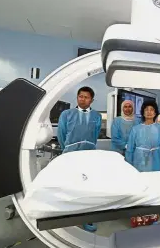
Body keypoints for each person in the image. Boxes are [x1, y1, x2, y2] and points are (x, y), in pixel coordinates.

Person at [57, 86, 102, 233]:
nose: (83, 99)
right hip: (70, 155)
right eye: (80, 96)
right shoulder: (67, 114)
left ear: (92, 100)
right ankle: (70, 216)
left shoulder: (97, 116)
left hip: (89, 156)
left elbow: (94, 135)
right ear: (77, 97)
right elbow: (62, 135)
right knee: (71, 187)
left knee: (87, 188)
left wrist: (87, 147)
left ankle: (86, 218)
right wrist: (69, 149)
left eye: (86, 97)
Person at [125, 100, 160, 172]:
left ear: (155, 113)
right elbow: (130, 149)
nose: (149, 112)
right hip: (139, 160)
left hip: (156, 160)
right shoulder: (136, 129)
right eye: (146, 110)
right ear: (143, 113)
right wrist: (128, 166)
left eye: (151, 110)